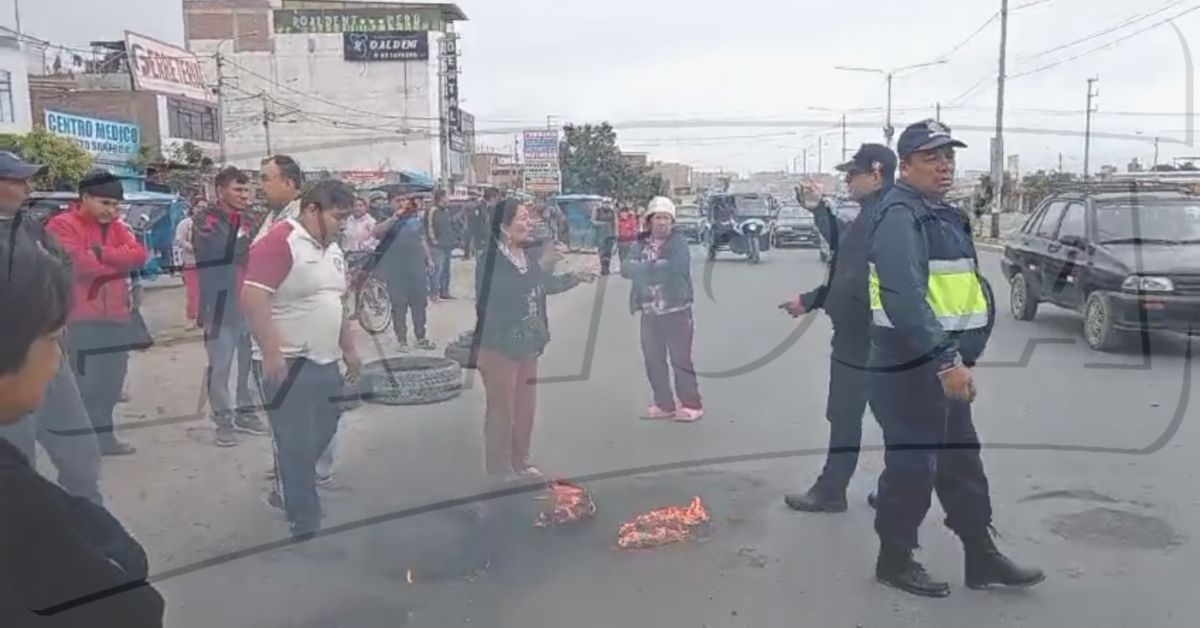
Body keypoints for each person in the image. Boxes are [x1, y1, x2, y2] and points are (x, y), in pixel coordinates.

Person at [867, 119, 1043, 597]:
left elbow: (965, 287)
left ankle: (980, 556)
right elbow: (904, 298)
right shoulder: (900, 215)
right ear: (904, 165)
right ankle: (894, 559)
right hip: (909, 367)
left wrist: (962, 355)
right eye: (932, 158)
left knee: (961, 462)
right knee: (912, 467)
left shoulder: (941, 213)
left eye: (949, 158)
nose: (944, 167)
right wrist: (946, 361)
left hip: (943, 364)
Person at [0, 220, 165, 628]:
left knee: (79, 458)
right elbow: (132, 612)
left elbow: (135, 256)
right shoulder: (14, 498)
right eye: (54, 340)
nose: (58, 361)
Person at [243, 179, 361, 540]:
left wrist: (350, 350)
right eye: (337, 216)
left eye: (346, 218)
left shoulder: (334, 250)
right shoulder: (280, 242)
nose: (343, 224)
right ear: (311, 210)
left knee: (324, 429)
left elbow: (336, 303)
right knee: (295, 441)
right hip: (289, 362)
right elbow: (252, 297)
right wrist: (272, 351)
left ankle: (292, 484)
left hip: (325, 362)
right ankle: (305, 521)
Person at [780, 144, 896, 513]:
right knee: (861, 414)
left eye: (853, 174)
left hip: (870, 337)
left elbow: (856, 281)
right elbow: (845, 249)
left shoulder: (888, 218)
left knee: (863, 414)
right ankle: (884, 487)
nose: (846, 180)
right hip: (864, 336)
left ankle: (843, 490)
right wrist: (819, 209)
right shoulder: (873, 214)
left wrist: (814, 299)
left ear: (876, 175)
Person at [0, 152, 103, 504]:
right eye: (17, 180)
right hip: (8, 367)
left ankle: (94, 530)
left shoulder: (28, 225)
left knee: (80, 451)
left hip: (49, 355)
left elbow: (64, 267)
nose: (27, 187)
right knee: (16, 463)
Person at [47, 170, 147, 457]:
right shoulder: (62, 225)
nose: (112, 211)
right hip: (80, 319)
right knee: (83, 386)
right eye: (105, 203)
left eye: (116, 205)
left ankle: (104, 439)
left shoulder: (117, 226)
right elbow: (79, 265)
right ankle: (79, 444)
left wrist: (101, 253)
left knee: (111, 383)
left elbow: (139, 255)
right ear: (85, 198)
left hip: (116, 317)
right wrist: (116, 259)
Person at [474, 199, 553, 481]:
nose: (528, 223)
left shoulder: (525, 256)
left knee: (525, 407)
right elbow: (500, 295)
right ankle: (500, 468)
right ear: (504, 226)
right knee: (502, 409)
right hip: (499, 345)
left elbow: (541, 286)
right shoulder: (489, 260)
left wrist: (574, 277)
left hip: (527, 343)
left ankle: (522, 461)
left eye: (529, 217)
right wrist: (542, 267)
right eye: (522, 218)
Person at [193, 167, 271, 448]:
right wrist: (245, 245)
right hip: (219, 305)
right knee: (221, 366)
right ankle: (223, 422)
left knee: (249, 364)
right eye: (238, 190)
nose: (244, 195)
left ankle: (245, 413)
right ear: (220, 190)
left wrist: (243, 245)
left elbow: (260, 250)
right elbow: (219, 252)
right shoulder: (205, 218)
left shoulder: (250, 217)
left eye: (246, 189)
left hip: (249, 304)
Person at [622, 197, 703, 422]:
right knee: (653, 359)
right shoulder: (639, 244)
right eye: (658, 218)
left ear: (672, 222)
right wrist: (651, 267)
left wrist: (643, 268)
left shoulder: (679, 244)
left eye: (666, 218)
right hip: (649, 311)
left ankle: (691, 404)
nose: (662, 223)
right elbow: (626, 268)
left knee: (680, 359)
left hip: (677, 310)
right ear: (649, 221)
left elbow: (673, 269)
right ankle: (663, 403)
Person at [373, 192, 436, 351]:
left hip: (416, 266)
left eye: (404, 200)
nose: (402, 203)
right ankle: (401, 340)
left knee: (419, 303)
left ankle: (421, 337)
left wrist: (428, 258)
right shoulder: (385, 216)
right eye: (397, 200)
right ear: (391, 203)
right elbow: (376, 232)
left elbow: (422, 238)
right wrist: (394, 217)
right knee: (399, 304)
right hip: (395, 268)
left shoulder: (414, 217)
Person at [255, 155, 304, 243]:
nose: (260, 186)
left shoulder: (305, 220)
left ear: (289, 184)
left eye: (266, 179)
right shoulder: (273, 213)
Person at [175, 197, 204, 329]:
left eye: (204, 207)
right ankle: (191, 317)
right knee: (193, 292)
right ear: (193, 208)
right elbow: (180, 240)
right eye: (199, 207)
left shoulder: (211, 222)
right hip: (191, 263)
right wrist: (192, 248)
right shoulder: (185, 223)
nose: (201, 210)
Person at [426, 188, 456, 300]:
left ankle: (445, 291)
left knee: (446, 270)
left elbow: (449, 227)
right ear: (442, 197)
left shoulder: (446, 211)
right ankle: (434, 293)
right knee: (436, 270)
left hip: (447, 244)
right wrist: (434, 241)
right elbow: (429, 227)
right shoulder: (433, 210)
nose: (448, 199)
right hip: (437, 246)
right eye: (447, 196)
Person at [592, 200, 617, 275]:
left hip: (610, 235)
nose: (606, 205)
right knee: (602, 252)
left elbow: (615, 223)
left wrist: (616, 234)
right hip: (600, 235)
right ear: (602, 203)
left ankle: (607, 267)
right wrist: (603, 224)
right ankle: (603, 268)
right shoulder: (598, 211)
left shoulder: (612, 212)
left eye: (608, 203)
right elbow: (593, 222)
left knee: (608, 252)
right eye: (605, 203)